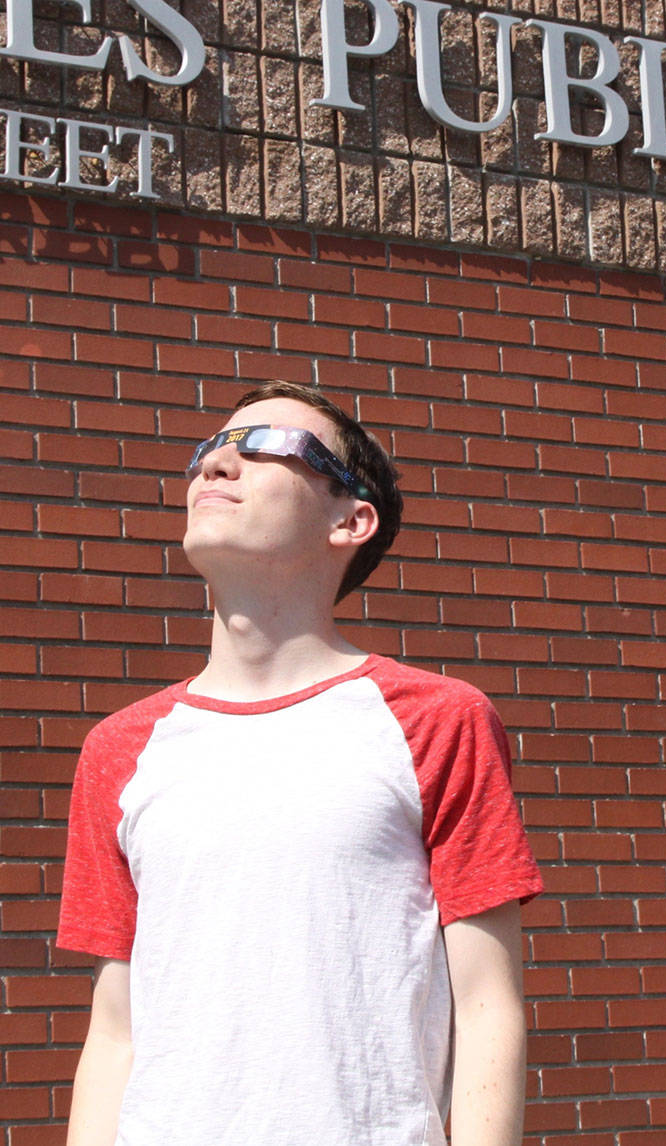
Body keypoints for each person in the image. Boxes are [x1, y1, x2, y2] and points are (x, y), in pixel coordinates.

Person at [58, 380, 543, 1146]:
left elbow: (487, 1004)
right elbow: (115, 1030)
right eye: (210, 450)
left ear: (351, 519)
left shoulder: (438, 720)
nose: (218, 466)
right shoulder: (118, 747)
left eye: (267, 447)